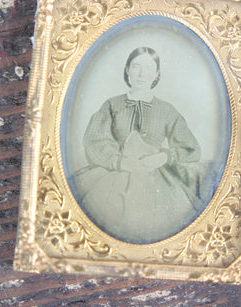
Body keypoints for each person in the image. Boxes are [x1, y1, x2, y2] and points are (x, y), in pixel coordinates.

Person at [74, 47, 208, 243]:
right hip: (113, 173)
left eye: (148, 68)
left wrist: (164, 157)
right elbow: (95, 141)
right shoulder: (111, 105)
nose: (141, 74)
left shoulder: (167, 110)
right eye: (136, 67)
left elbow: (191, 149)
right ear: (127, 70)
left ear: (156, 74)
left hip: (156, 175)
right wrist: (120, 162)